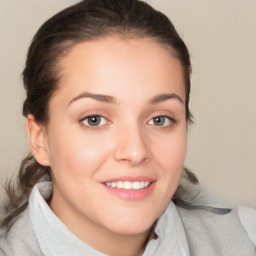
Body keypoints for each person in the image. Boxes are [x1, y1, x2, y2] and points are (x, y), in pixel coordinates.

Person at [0, 0, 255, 255]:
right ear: (40, 139)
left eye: (159, 119)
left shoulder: (245, 238)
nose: (135, 151)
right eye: (94, 119)